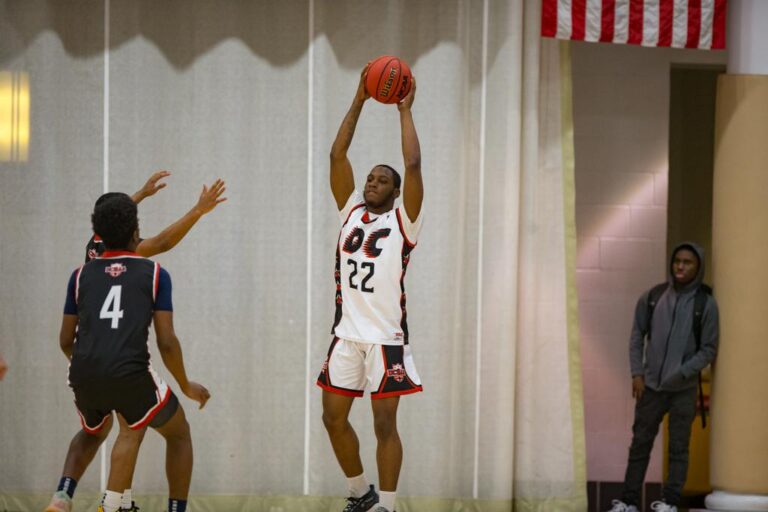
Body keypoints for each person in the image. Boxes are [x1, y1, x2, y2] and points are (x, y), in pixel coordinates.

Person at [46, 172, 226, 512]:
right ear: (133, 231)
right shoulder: (150, 270)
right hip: (127, 367)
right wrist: (197, 210)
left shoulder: (87, 263)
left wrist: (138, 196)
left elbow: (64, 340)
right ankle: (115, 504)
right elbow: (167, 340)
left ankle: (65, 497)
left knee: (96, 430)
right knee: (157, 427)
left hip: (85, 366)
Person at [316, 64, 423, 512]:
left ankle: (390, 506)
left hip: (385, 340)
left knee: (384, 425)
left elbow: (413, 163)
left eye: (382, 179)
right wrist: (360, 99)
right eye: (370, 178)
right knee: (332, 418)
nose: (372, 181)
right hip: (346, 335)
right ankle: (362, 493)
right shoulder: (350, 212)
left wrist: (404, 111)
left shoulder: (404, 220)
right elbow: (337, 157)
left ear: (396, 192)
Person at [608, 242, 719, 512]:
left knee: (679, 448)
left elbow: (708, 349)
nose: (680, 266)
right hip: (651, 389)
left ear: (698, 267)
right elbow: (636, 336)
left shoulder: (706, 304)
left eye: (688, 262)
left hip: (683, 390)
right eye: (677, 261)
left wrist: (682, 373)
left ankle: (670, 503)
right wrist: (637, 373)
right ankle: (629, 502)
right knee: (639, 445)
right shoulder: (653, 296)